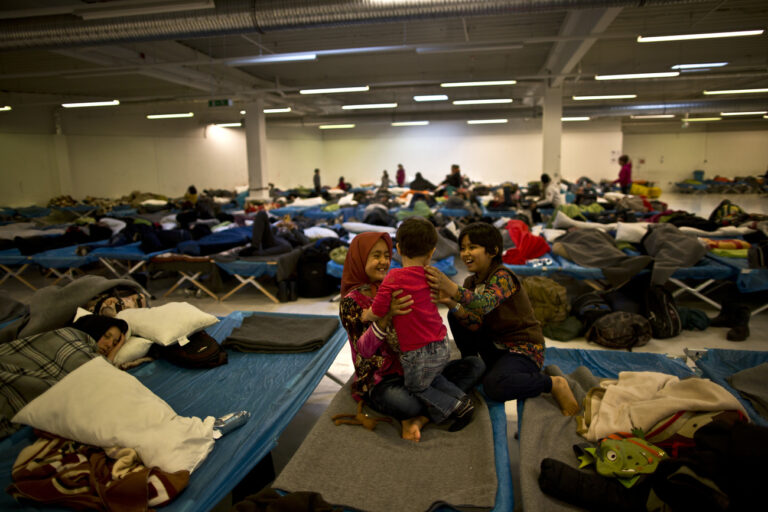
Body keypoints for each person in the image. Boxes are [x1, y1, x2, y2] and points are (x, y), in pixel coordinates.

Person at [339, 232, 485, 442]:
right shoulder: (351, 302)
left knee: (474, 365)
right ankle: (426, 412)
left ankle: (421, 416)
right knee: (407, 403)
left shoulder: (394, 283)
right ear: (360, 258)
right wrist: (385, 317)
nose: (383, 262)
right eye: (375, 256)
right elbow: (364, 350)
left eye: (386, 256)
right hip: (382, 379)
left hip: (414, 365)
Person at [426, 222, 579, 416]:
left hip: (523, 349)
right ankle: (473, 363)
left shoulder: (503, 276)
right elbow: (474, 323)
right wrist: (450, 302)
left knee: (495, 386)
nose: (465, 253)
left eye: (472, 247)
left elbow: (484, 303)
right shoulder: (471, 281)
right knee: (454, 314)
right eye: (463, 248)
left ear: (493, 251)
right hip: (495, 346)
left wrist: (451, 288)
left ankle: (552, 383)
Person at [366, 218, 475, 431]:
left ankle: (454, 407)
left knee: (416, 386)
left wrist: (365, 314)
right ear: (432, 252)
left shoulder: (393, 277)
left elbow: (377, 311)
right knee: (434, 378)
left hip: (418, 352)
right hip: (443, 344)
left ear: (398, 249)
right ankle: (463, 400)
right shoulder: (432, 275)